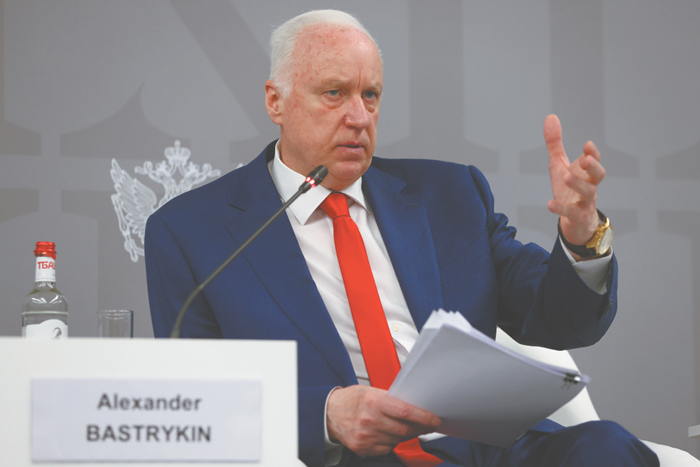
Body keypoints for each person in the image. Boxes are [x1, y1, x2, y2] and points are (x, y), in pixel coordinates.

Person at [145, 9, 658, 467]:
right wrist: (325, 414)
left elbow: (558, 317)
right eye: (334, 93)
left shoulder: (450, 194)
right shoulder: (193, 231)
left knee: (608, 447)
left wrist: (581, 236)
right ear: (275, 101)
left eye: (370, 95)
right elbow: (198, 401)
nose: (359, 117)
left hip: (486, 450)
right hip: (345, 458)